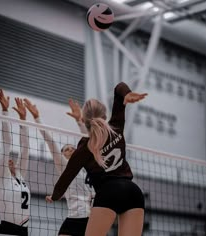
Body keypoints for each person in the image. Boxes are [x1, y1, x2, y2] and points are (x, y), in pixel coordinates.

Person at [46, 82, 147, 236]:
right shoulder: (116, 126)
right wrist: (127, 93)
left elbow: (67, 176)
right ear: (105, 116)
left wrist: (55, 196)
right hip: (133, 192)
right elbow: (119, 87)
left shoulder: (84, 148)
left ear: (85, 122)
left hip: (108, 193)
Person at [24, 98, 94, 236]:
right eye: (67, 149)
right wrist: (37, 118)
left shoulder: (87, 166)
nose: (71, 149)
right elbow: (50, 142)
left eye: (73, 148)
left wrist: (80, 121)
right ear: (62, 155)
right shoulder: (64, 165)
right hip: (75, 217)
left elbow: (87, 140)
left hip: (89, 217)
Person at [0, 89, 30, 236]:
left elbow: (25, 149)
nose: (10, 159)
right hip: (7, 230)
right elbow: (6, 143)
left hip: (23, 231)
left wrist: (23, 120)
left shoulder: (19, 176)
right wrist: (5, 110)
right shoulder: (1, 176)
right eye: (6, 160)